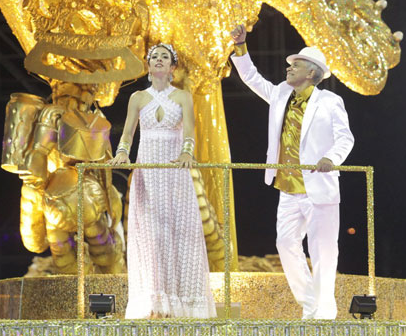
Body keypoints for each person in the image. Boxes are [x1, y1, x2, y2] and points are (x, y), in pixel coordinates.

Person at [229, 25, 355, 319]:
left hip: (319, 187)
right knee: (285, 244)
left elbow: (345, 137)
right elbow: (250, 77)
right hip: (287, 186)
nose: (288, 68)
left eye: (295, 65)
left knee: (323, 252)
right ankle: (311, 305)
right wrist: (241, 46)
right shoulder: (281, 94)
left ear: (311, 73)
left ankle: (323, 314)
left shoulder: (330, 102)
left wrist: (331, 157)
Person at [108, 43, 217, 319]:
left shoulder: (182, 97)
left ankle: (183, 303)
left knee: (178, 232)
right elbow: (128, 133)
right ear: (149, 65)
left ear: (173, 67)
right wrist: (122, 152)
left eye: (164, 57)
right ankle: (155, 302)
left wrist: (186, 152)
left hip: (174, 172)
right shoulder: (137, 98)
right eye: (154, 57)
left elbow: (190, 132)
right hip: (148, 172)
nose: (158, 60)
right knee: (152, 236)